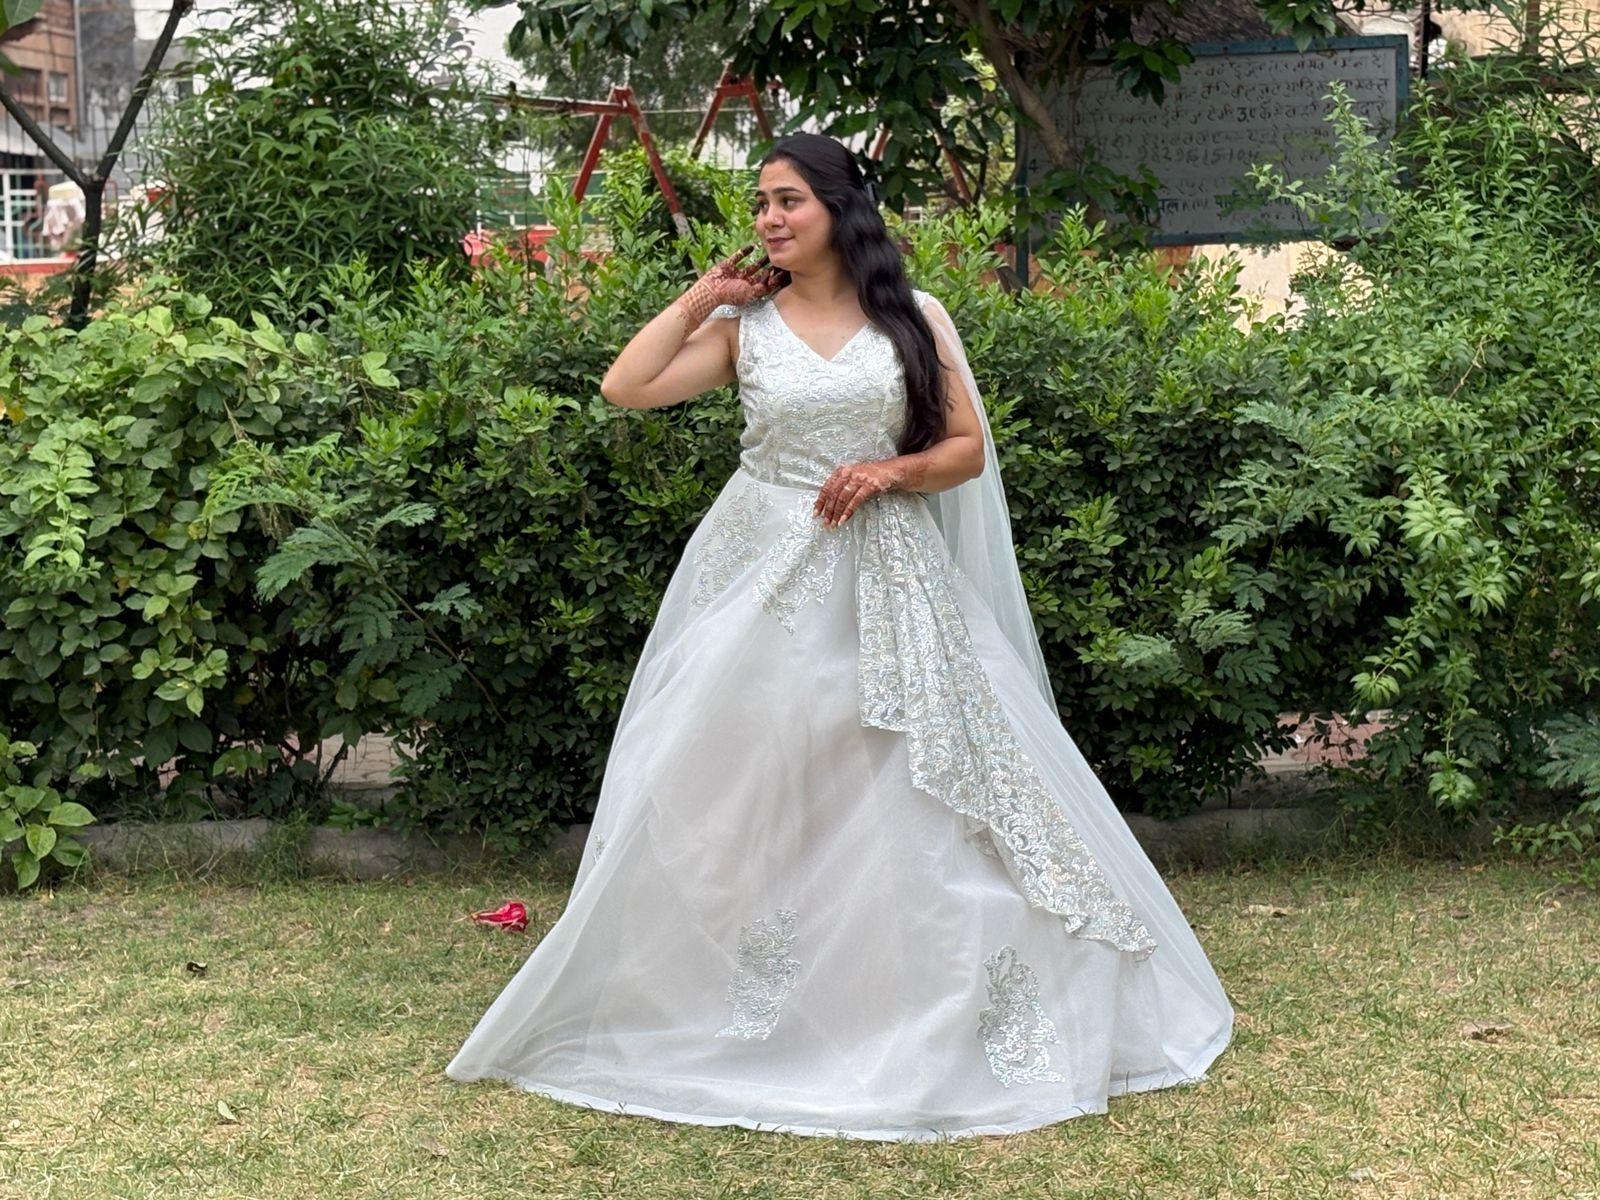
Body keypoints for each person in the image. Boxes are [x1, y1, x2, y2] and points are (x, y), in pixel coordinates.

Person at [444, 131, 1234, 1142]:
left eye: (789, 200)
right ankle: (750, 1002)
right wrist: (702, 298)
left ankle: (907, 1005)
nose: (769, 218)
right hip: (758, 577)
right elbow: (626, 387)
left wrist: (888, 472)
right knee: (752, 784)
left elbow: (963, 449)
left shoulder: (913, 318)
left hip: (889, 572)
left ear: (839, 207)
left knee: (913, 783)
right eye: (761, 203)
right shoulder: (745, 326)